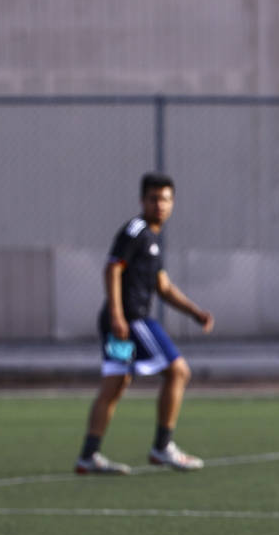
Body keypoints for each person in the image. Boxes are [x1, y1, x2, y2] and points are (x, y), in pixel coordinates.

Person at [75, 172, 215, 475]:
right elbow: (112, 269)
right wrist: (117, 315)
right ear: (142, 201)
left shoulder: (153, 239)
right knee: (178, 371)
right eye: (154, 199)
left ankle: (89, 455)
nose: (160, 205)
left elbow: (162, 286)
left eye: (165, 199)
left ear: (173, 203)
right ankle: (163, 447)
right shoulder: (135, 230)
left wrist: (194, 311)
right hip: (131, 320)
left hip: (122, 323)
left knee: (116, 384)